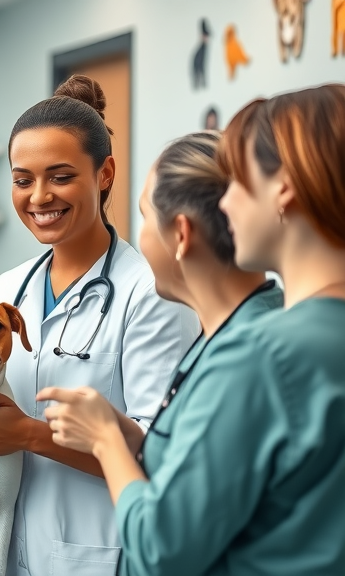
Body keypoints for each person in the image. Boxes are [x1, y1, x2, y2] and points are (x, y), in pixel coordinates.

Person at [40, 84, 345, 575]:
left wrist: (106, 440)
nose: (227, 207)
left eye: (241, 184)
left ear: (282, 191)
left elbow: (164, 549)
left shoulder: (262, 352)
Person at [0, 75, 199, 576]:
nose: (39, 196)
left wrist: (30, 435)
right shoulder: (9, 288)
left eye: (61, 176)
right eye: (23, 180)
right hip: (0, 556)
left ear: (105, 173)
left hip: (96, 553)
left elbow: (164, 455)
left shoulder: (150, 292)